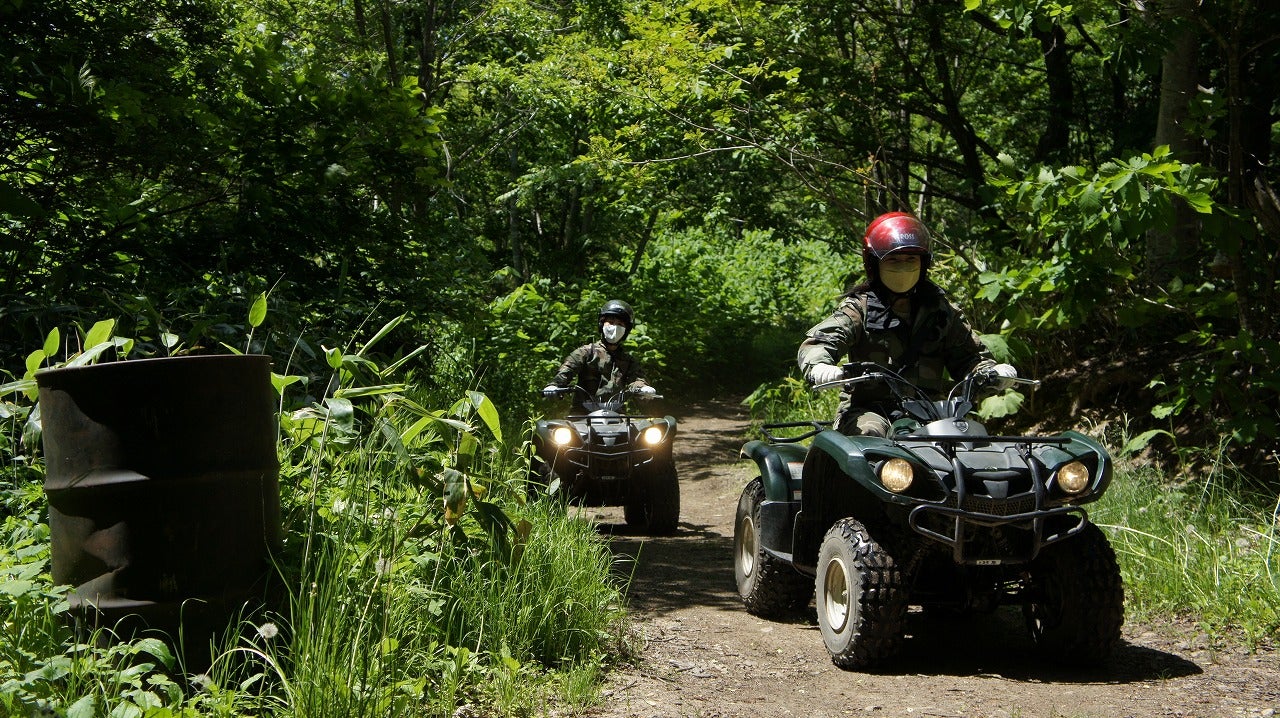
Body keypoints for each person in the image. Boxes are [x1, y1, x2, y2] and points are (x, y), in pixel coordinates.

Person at [797, 212, 1017, 437]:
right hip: (870, 410)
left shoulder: (941, 311)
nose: (903, 268)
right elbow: (820, 342)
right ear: (875, 263)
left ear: (923, 263)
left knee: (968, 441)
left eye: (911, 259)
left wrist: (992, 373)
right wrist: (820, 367)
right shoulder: (859, 308)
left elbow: (970, 359)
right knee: (870, 437)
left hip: (932, 411)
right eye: (893, 260)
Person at [543, 299, 656, 408]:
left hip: (617, 415)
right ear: (602, 325)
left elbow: (637, 379)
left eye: (620, 324)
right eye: (611, 322)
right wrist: (555, 385)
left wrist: (643, 388)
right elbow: (567, 370)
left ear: (626, 330)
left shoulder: (629, 360)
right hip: (582, 415)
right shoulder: (585, 352)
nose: (615, 327)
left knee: (646, 426)